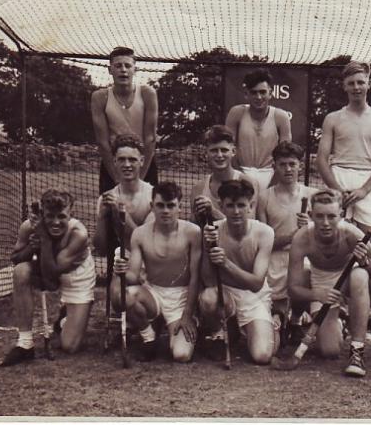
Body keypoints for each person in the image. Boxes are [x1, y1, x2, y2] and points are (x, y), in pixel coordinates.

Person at [315, 60, 371, 334]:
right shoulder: (333, 118)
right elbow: (322, 159)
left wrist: (364, 190)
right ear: (344, 86)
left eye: (361, 82)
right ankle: (341, 308)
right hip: (339, 180)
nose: (356, 87)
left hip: (367, 184)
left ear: (368, 84)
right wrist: (336, 189)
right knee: (336, 245)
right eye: (351, 83)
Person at [288, 190, 371, 377]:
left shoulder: (352, 234)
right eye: (319, 216)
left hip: (348, 282)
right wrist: (317, 295)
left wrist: (365, 262)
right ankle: (340, 318)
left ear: (341, 216)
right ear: (310, 216)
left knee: (360, 275)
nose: (326, 223)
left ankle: (357, 351)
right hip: (320, 284)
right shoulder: (302, 238)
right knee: (329, 351)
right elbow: (292, 289)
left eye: (331, 216)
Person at [0, 189, 95, 366]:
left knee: (70, 346)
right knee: (21, 271)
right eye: (50, 216)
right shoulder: (29, 226)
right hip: (47, 264)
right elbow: (15, 258)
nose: (56, 222)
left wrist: (45, 240)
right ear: (42, 213)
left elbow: (51, 277)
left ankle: (65, 317)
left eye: (62, 217)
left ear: (70, 214)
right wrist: (31, 249)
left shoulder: (78, 234)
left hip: (75, 275)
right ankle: (25, 343)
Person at [113, 182, 202, 362]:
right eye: (160, 205)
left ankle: (187, 325)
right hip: (152, 292)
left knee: (181, 355)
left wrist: (187, 315)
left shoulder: (193, 232)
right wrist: (120, 271)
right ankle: (148, 336)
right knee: (123, 295)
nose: (166, 211)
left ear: (180, 206)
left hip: (180, 297)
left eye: (171, 205)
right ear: (152, 206)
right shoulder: (140, 233)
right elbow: (133, 276)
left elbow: (195, 278)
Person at [199, 179, 275, 365]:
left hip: (254, 296)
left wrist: (225, 263)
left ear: (251, 206)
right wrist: (208, 248)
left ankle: (271, 325)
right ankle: (221, 330)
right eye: (230, 205)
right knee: (208, 297)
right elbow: (208, 281)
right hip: (224, 294)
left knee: (262, 356)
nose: (236, 211)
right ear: (221, 206)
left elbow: (257, 284)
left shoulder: (264, 233)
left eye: (241, 205)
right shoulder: (212, 231)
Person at [256, 141, 314, 346]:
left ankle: (297, 320)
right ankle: (278, 317)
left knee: (306, 273)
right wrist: (293, 235)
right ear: (275, 166)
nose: (288, 169)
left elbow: (324, 241)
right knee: (275, 344)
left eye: (292, 163)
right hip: (273, 259)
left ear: (300, 164)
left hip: (302, 259)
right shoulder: (264, 197)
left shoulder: (312, 195)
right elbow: (264, 242)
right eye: (282, 164)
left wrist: (310, 228)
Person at [91, 46, 158, 193]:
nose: (123, 69)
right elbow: (102, 142)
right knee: (111, 211)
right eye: (118, 65)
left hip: (143, 161)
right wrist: (116, 178)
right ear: (110, 70)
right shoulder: (100, 97)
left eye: (127, 65)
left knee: (149, 210)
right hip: (114, 163)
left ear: (135, 69)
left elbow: (150, 138)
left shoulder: (147, 94)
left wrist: (140, 177)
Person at [225, 68, 292, 191]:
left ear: (270, 93)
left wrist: (271, 188)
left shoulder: (280, 117)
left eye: (262, 92)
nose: (259, 97)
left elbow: (285, 155)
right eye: (254, 92)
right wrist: (241, 178)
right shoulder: (236, 113)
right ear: (246, 94)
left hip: (270, 174)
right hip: (240, 173)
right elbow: (228, 149)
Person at [94, 134, 154, 257]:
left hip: (152, 264)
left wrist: (119, 211)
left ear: (141, 161)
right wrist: (102, 217)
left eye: (132, 159)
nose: (127, 165)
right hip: (122, 262)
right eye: (121, 159)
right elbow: (101, 250)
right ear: (115, 161)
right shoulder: (105, 199)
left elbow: (145, 244)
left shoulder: (153, 195)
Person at [191, 125, 258, 223]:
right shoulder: (198, 189)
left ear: (233, 151)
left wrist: (213, 212)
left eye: (224, 150)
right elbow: (195, 228)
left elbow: (248, 226)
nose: (219, 155)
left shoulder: (247, 183)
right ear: (206, 153)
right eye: (214, 150)